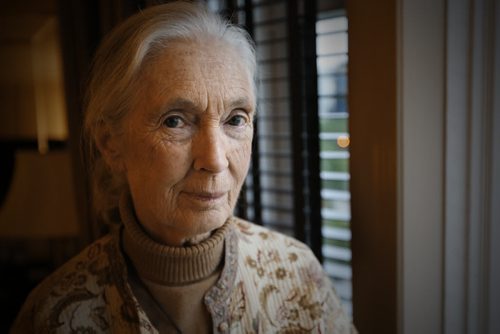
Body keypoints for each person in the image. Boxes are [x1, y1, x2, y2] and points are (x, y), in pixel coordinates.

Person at [11, 1, 355, 333]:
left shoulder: (298, 274)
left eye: (236, 119)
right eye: (175, 121)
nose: (215, 160)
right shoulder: (54, 313)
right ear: (110, 143)